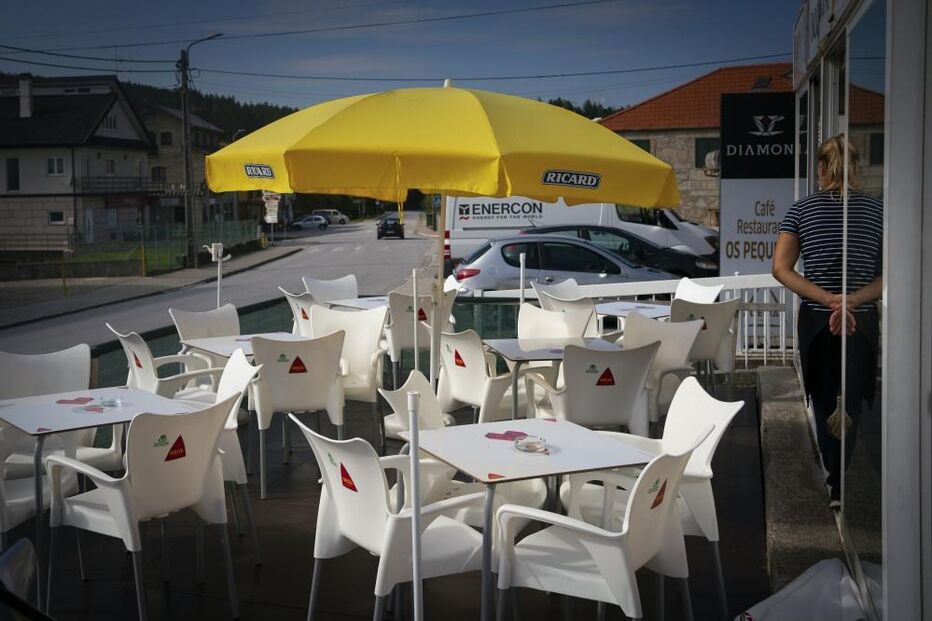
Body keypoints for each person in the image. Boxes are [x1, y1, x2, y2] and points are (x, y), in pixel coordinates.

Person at [772, 134, 883, 510]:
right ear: (856, 168)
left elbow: (781, 269)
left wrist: (828, 299)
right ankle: (842, 478)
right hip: (862, 320)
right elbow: (891, 274)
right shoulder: (878, 211)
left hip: (819, 320)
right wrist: (851, 300)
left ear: (821, 169)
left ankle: (833, 479)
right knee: (850, 399)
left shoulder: (800, 211)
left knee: (823, 398)